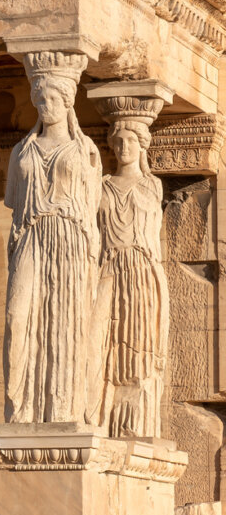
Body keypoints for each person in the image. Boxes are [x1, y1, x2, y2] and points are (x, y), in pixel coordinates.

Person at [4, 54, 102, 424]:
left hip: (69, 240)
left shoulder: (85, 151)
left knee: (64, 322)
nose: (45, 107)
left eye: (52, 100)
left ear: (67, 102)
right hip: (30, 236)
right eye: (39, 100)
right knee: (18, 316)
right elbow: (14, 205)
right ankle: (21, 410)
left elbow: (90, 208)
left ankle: (61, 411)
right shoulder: (22, 151)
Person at [93, 120, 168, 437]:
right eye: (117, 142)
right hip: (109, 269)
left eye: (129, 142)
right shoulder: (101, 185)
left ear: (142, 146)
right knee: (105, 347)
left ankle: (134, 425)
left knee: (140, 349)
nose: (123, 148)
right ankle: (104, 419)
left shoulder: (153, 186)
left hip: (142, 272)